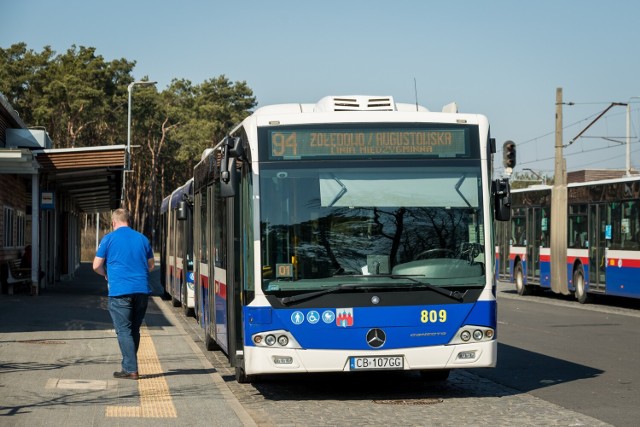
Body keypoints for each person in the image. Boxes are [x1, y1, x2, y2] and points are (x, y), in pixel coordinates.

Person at [93, 208, 154, 380]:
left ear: (113, 222)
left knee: (123, 330)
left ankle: (131, 369)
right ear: (129, 221)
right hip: (142, 290)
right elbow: (151, 265)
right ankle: (128, 365)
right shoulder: (142, 238)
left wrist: (106, 273)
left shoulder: (109, 239)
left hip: (120, 291)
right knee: (134, 329)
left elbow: (96, 265)